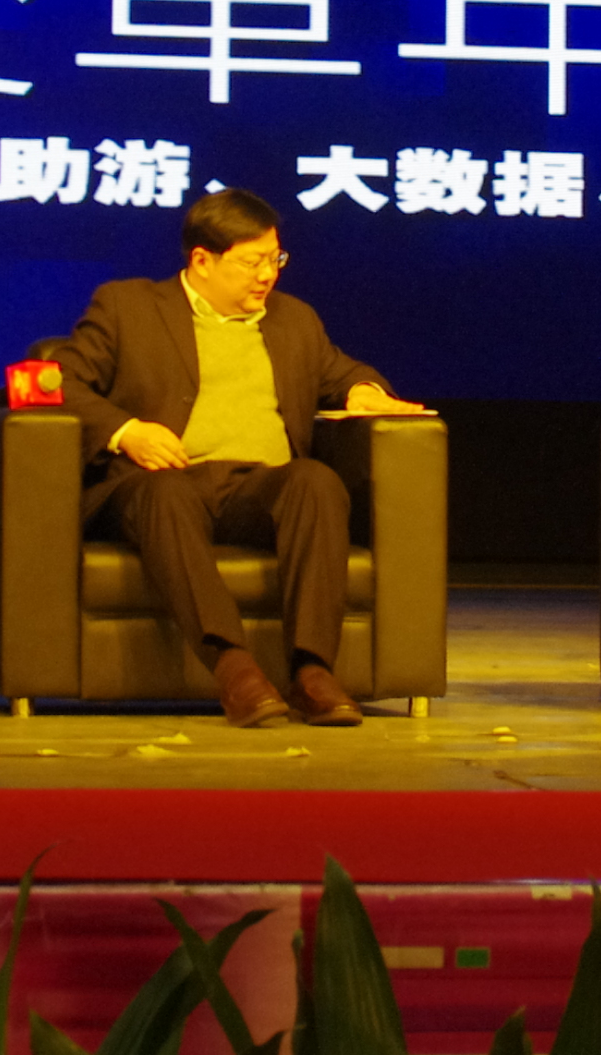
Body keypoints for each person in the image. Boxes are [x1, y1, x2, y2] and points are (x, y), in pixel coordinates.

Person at [56, 187, 429, 727]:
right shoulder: (128, 306)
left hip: (257, 488)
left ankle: (313, 672)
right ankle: (235, 670)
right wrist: (127, 431)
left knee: (316, 482)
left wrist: (364, 393)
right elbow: (61, 382)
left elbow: (341, 373)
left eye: (275, 259)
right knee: (165, 492)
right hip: (164, 481)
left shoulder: (293, 320)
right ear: (202, 260)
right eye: (252, 262)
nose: (267, 275)